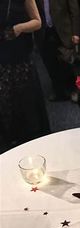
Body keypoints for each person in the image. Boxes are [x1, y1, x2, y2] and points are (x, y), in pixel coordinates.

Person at [0, 0, 50, 150]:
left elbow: (37, 22)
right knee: (5, 99)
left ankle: (28, 139)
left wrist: (19, 28)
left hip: (20, 54)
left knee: (25, 98)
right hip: (1, 56)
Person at [35, 0, 80, 101]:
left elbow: (74, 10)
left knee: (67, 63)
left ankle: (73, 90)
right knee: (50, 64)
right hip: (43, 32)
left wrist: (75, 32)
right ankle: (59, 92)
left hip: (63, 31)